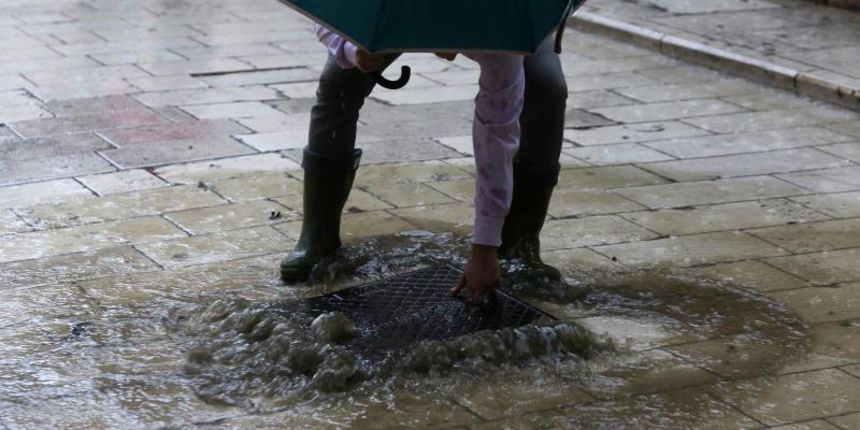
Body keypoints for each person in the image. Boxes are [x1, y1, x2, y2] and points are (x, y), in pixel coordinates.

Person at [281, 25, 568, 302]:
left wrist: (484, 246)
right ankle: (318, 235)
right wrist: (353, 50)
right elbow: (326, 13)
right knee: (339, 81)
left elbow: (497, 127)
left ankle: (519, 244)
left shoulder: (498, 19)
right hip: (398, 15)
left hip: (484, 21)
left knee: (546, 87)